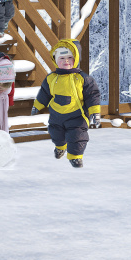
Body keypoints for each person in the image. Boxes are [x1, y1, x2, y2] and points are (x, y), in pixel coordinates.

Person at [33, 39, 102, 168]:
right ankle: (60, 147)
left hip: (77, 115)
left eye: (70, 57)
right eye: (62, 58)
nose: (66, 61)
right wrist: (37, 106)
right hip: (56, 115)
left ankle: (75, 157)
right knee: (55, 133)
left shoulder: (82, 78)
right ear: (55, 60)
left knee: (77, 136)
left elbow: (92, 95)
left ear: (76, 59)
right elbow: (44, 93)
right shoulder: (51, 78)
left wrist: (95, 112)